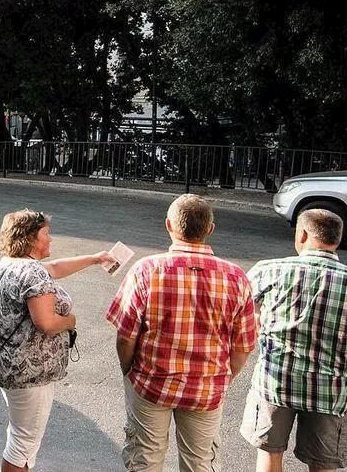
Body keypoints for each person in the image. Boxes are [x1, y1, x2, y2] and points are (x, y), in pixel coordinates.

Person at [105, 194, 257, 472]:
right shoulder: (237, 277)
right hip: (206, 388)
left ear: (168, 225)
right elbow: (243, 347)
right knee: (200, 462)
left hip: (151, 383)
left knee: (145, 458)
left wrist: (128, 370)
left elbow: (126, 336)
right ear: (210, 229)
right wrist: (222, 378)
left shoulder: (146, 270)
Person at [240, 208, 347, 472]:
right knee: (322, 465)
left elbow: (237, 318)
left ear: (302, 235)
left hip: (274, 385)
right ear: (337, 240)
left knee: (269, 454)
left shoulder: (268, 271)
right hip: (330, 393)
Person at [0, 210, 113, 471]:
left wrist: (94, 259)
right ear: (31, 238)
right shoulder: (32, 273)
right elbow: (46, 322)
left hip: (10, 365)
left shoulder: (10, 264)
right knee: (23, 443)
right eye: (46, 234)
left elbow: (54, 269)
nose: (51, 239)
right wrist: (70, 321)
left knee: (19, 435)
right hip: (29, 372)